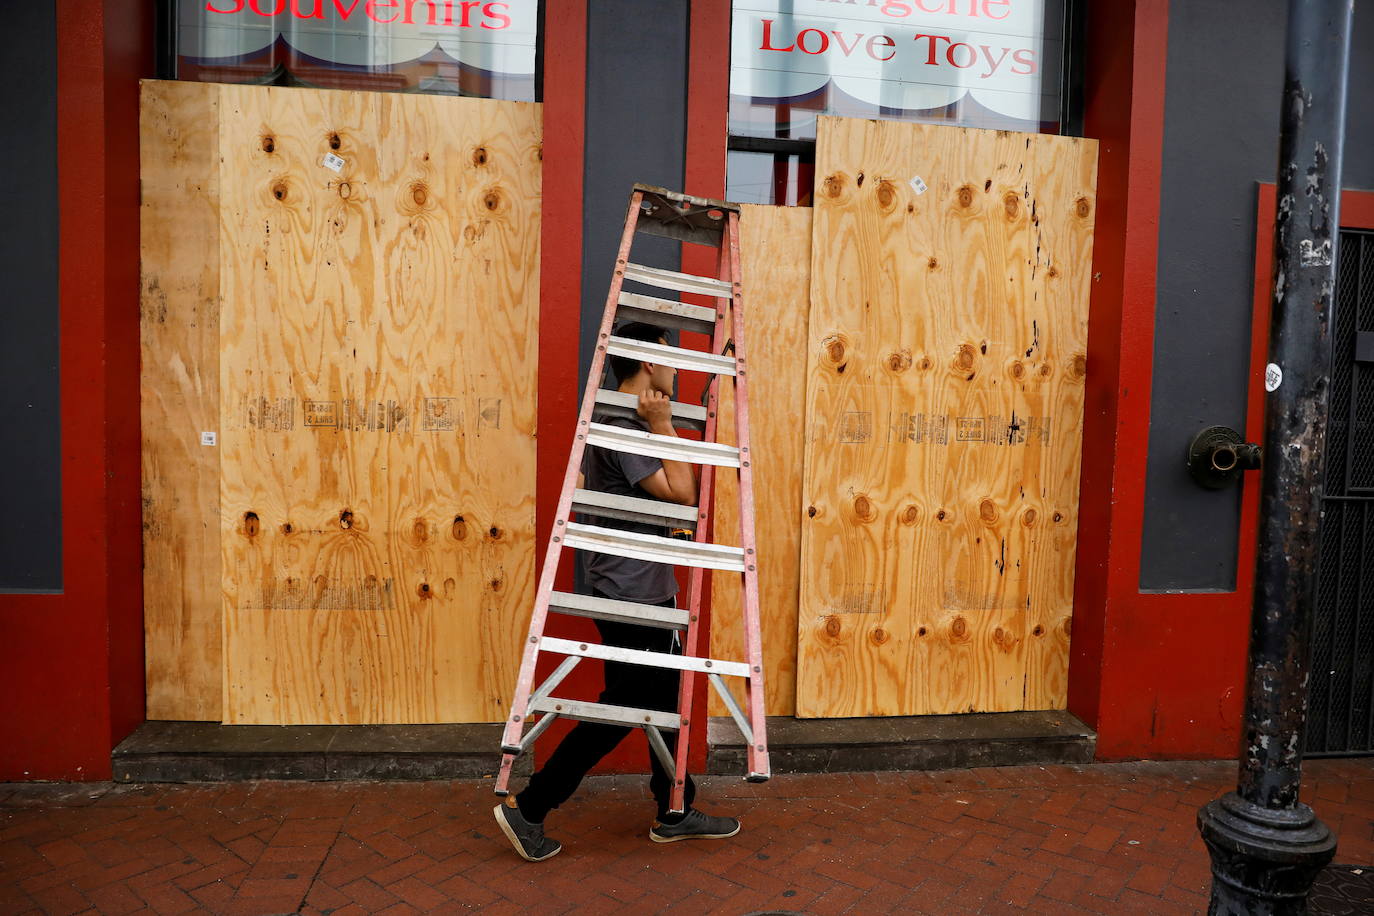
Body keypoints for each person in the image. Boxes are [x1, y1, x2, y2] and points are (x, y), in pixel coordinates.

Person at [494, 322, 740, 862]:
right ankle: (530, 808)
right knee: (628, 706)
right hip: (631, 591)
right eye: (671, 359)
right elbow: (682, 498)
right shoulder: (620, 424)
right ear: (649, 360)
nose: (677, 370)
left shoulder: (627, 422)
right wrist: (665, 426)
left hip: (641, 586)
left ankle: (674, 809)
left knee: (657, 701)